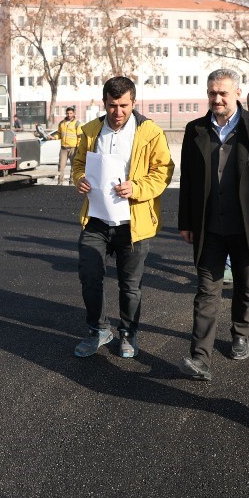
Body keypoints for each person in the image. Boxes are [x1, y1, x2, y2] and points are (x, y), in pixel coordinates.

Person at [177, 69, 249, 380]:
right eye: (212, 93)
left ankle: (240, 333)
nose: (217, 98)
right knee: (207, 291)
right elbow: (189, 181)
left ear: (237, 93)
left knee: (246, 288)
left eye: (223, 92)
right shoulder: (195, 129)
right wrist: (186, 221)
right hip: (210, 226)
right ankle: (200, 358)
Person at [72, 77, 174, 359]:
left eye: (124, 106)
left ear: (134, 102)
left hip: (134, 222)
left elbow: (163, 171)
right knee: (89, 275)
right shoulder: (91, 130)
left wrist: (137, 188)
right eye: (112, 105)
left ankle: (128, 334)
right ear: (104, 103)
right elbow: (78, 164)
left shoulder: (150, 132)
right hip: (96, 220)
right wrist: (79, 178)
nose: (118, 112)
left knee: (130, 286)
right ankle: (98, 330)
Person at [56, 106, 81, 185]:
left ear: (74, 113)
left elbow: (79, 136)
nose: (69, 115)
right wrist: (53, 137)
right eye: (67, 113)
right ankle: (60, 182)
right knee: (61, 166)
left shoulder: (77, 123)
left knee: (73, 167)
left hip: (73, 148)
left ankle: (72, 182)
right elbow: (59, 134)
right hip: (63, 148)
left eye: (71, 113)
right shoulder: (61, 123)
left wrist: (78, 147)